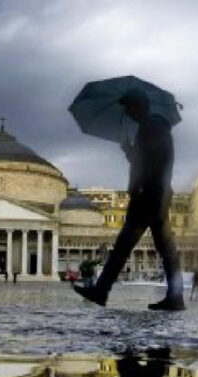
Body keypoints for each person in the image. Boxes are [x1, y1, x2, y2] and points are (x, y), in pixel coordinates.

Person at [74, 88, 184, 311]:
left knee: (133, 245)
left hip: (149, 193)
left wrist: (142, 186)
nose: (128, 113)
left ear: (138, 106)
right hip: (154, 192)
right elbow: (146, 159)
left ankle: (101, 291)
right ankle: (174, 297)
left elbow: (154, 162)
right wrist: (129, 151)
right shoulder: (153, 127)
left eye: (129, 108)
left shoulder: (152, 126)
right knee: (156, 247)